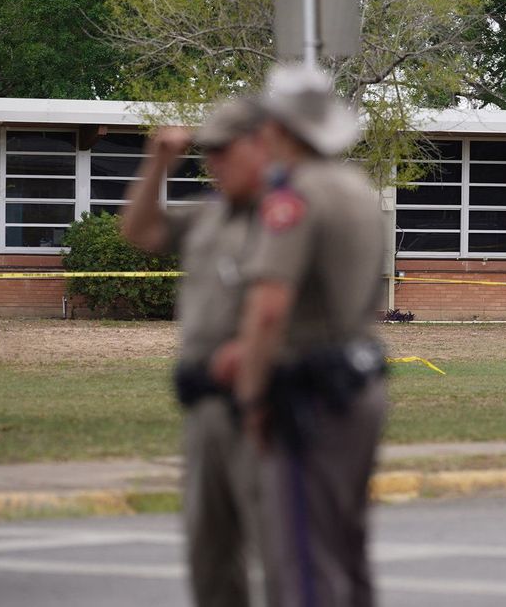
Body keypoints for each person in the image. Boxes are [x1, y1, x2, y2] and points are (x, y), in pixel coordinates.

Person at [229, 65, 389, 607]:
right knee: (348, 545)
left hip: (310, 392)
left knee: (302, 557)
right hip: (360, 381)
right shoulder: (361, 191)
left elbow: (269, 308)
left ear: (277, 127)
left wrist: (252, 398)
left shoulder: (293, 198)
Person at [120, 99, 269, 607]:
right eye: (208, 153)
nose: (214, 163)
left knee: (277, 550)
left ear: (261, 145)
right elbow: (139, 231)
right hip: (205, 405)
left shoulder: (288, 216)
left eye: (224, 151)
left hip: (263, 406)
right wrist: (157, 163)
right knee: (210, 550)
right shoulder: (209, 216)